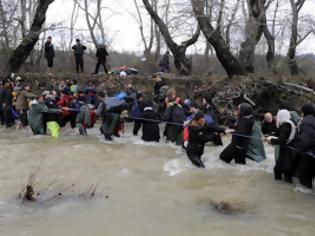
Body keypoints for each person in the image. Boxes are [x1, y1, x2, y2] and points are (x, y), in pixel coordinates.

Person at [267, 109, 297, 183]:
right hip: (288, 151)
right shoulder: (289, 123)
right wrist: (270, 135)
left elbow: (281, 140)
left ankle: (279, 188)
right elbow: (279, 133)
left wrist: (271, 141)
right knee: (282, 170)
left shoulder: (285, 126)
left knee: (281, 170)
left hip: (286, 152)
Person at [295, 104, 315, 189]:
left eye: (302, 112)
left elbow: (306, 140)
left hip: (309, 153)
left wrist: (298, 150)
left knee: (304, 177)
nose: (301, 114)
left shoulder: (307, 121)